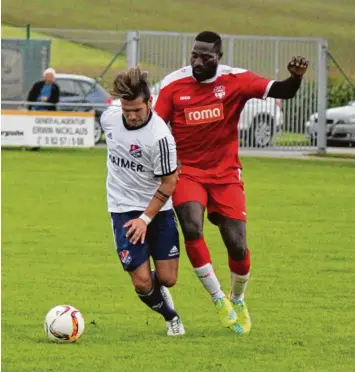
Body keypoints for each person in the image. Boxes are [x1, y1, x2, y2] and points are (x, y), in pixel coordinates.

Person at [154, 30, 308, 335]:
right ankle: (217, 298)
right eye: (194, 55)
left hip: (226, 175)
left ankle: (237, 299)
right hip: (189, 173)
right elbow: (156, 129)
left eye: (205, 57)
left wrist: (296, 78)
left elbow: (283, 91)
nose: (197, 62)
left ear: (218, 58)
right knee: (192, 227)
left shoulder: (235, 80)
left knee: (237, 246)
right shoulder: (173, 85)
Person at [100, 67, 185, 336]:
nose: (132, 115)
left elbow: (170, 182)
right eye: (127, 110)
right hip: (123, 209)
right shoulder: (109, 119)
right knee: (141, 282)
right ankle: (172, 317)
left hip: (157, 211)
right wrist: (135, 219)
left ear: (149, 102)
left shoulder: (159, 138)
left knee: (169, 279)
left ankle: (158, 287)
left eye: (137, 109)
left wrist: (146, 219)